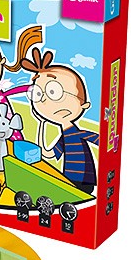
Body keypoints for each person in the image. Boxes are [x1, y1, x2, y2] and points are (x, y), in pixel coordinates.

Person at [21, 48, 99, 194]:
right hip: (68, 180)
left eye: (53, 92)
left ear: (84, 104)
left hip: (84, 181)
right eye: (38, 94)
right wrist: (41, 125)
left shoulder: (80, 134)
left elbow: (103, 142)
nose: (45, 102)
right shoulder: (64, 138)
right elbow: (47, 154)